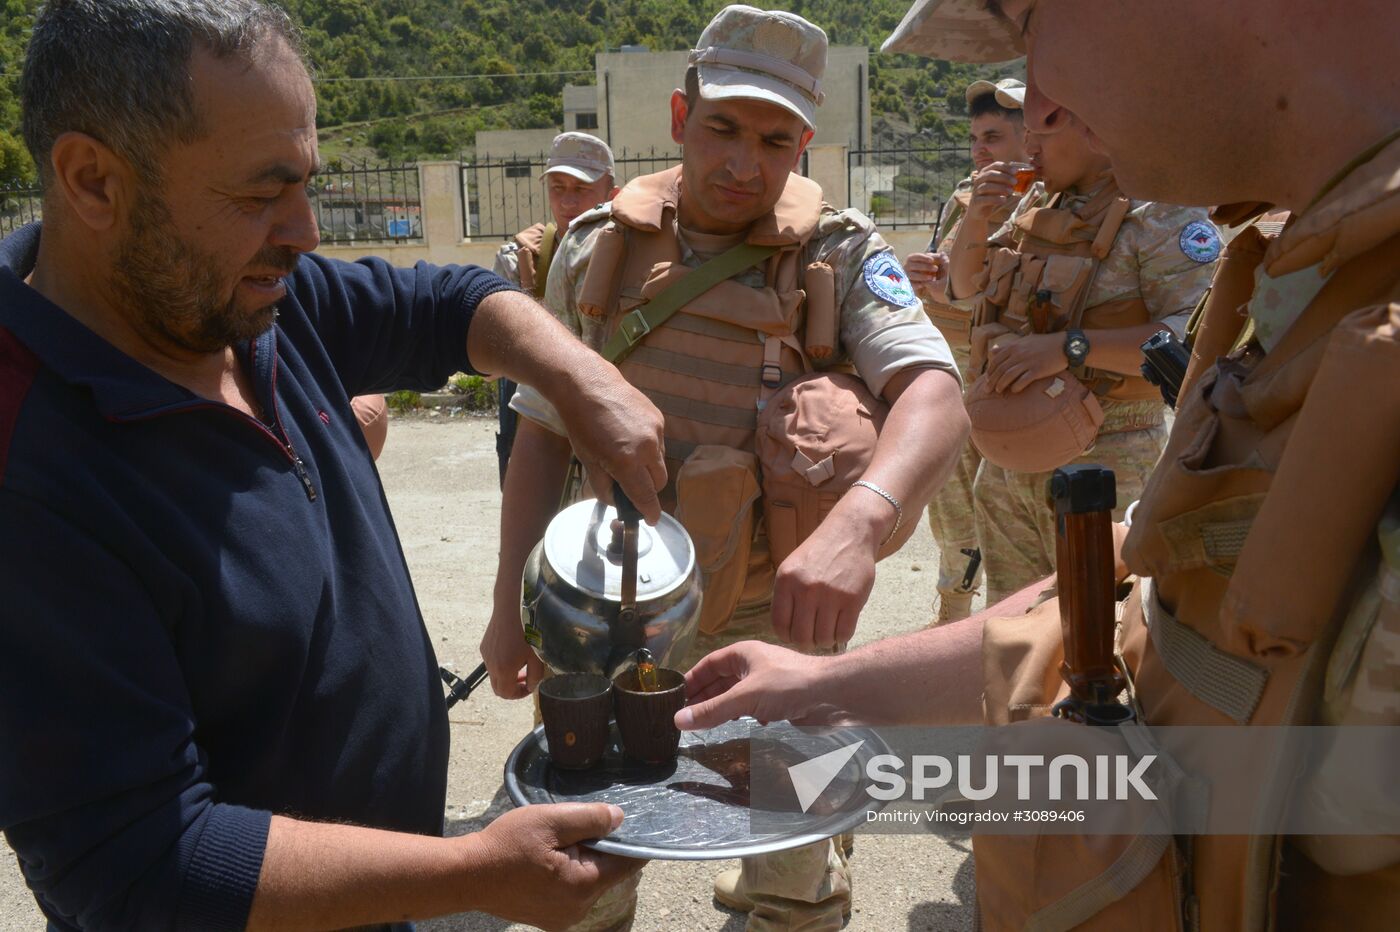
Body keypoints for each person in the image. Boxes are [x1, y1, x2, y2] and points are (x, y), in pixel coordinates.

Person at [677, 0, 1400, 928]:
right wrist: (828, 689)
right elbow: (1141, 605)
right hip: (1023, 487)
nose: (1042, 99)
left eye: (1032, 24)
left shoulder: (1269, 268)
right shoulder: (1305, 276)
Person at [0, 2, 666, 929]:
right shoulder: (29, 470)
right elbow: (139, 861)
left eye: (308, 183)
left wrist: (584, 378)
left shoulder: (243, 297)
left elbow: (452, 303)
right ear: (93, 180)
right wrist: (475, 873)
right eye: (262, 192)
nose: (305, 232)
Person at [482, 6, 968, 928]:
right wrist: (511, 606)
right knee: (586, 860)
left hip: (774, 617)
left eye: (775, 139)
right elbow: (541, 432)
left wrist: (862, 522)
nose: (746, 162)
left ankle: (797, 881)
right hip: (604, 613)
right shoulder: (595, 247)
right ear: (678, 117)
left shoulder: (839, 250)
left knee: (790, 865)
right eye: (723, 129)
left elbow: (936, 393)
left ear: (803, 144)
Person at [945, 81, 1219, 603]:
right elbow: (963, 290)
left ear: (1094, 128)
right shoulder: (1038, 200)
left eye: (1041, 134)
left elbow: (1191, 339)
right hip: (1008, 465)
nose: (1028, 149)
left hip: (1109, 460)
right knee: (1013, 628)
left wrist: (1069, 348)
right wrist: (977, 218)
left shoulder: (1162, 213)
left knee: (1101, 633)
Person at [904, 76, 1027, 623]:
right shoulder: (963, 196)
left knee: (1008, 507)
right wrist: (922, 273)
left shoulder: (1048, 208)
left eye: (995, 137)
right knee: (950, 506)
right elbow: (949, 274)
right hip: (950, 374)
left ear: (1032, 139)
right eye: (976, 136)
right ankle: (953, 614)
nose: (980, 148)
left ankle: (1008, 623)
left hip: (1004, 381)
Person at [492, 132, 619, 486]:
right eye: (558, 188)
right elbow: (490, 361)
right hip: (539, 425)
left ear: (613, 195)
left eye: (581, 189)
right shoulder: (520, 260)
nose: (567, 202)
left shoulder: (633, 260)